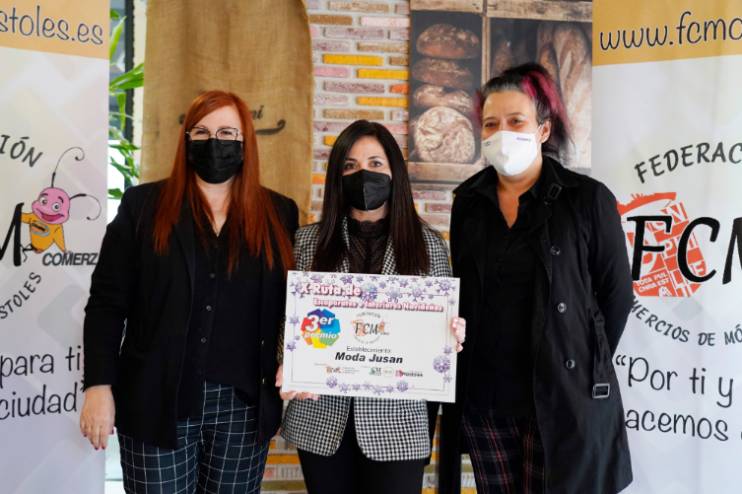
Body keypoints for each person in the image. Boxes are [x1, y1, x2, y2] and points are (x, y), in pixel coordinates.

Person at [79, 90, 298, 494]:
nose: (214, 142)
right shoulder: (143, 206)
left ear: (246, 142)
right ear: (186, 141)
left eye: (227, 132)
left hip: (243, 408)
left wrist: (301, 361)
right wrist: (98, 386)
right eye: (202, 132)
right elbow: (107, 304)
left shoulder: (279, 213)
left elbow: (294, 306)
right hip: (155, 399)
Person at [439, 63, 634, 494]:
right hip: (486, 396)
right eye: (491, 124)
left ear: (543, 130)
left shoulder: (587, 200)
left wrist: (583, 362)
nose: (502, 133)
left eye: (516, 121)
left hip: (561, 396)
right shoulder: (468, 202)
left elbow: (617, 295)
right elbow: (463, 290)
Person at [277, 120, 466, 494]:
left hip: (398, 424)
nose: (363, 174)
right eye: (350, 166)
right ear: (337, 176)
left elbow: (437, 342)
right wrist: (289, 362)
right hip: (320, 418)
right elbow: (285, 319)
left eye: (375, 164)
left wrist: (450, 336)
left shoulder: (429, 245)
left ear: (395, 172)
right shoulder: (308, 241)